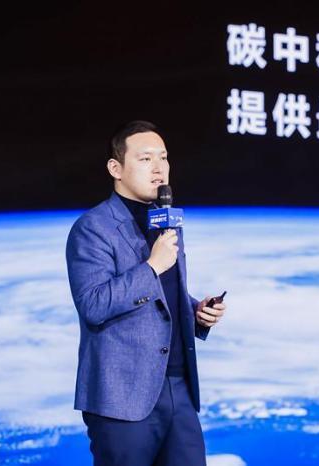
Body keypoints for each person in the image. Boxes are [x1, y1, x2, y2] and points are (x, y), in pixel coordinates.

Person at [65, 120, 226, 466]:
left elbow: (164, 296)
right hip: (123, 397)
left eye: (163, 158)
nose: (159, 168)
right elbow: (93, 304)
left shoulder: (166, 222)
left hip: (179, 389)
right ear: (116, 168)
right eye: (145, 158)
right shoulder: (92, 228)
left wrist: (197, 312)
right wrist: (151, 267)